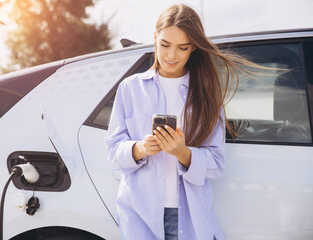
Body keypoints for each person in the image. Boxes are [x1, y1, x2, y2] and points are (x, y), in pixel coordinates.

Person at [105, 4, 264, 240]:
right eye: (165, 45)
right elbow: (113, 150)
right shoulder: (130, 88)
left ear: (193, 49)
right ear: (155, 38)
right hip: (139, 215)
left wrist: (183, 153)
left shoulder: (206, 94)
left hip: (189, 218)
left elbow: (217, 162)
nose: (171, 55)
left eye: (182, 48)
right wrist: (140, 149)